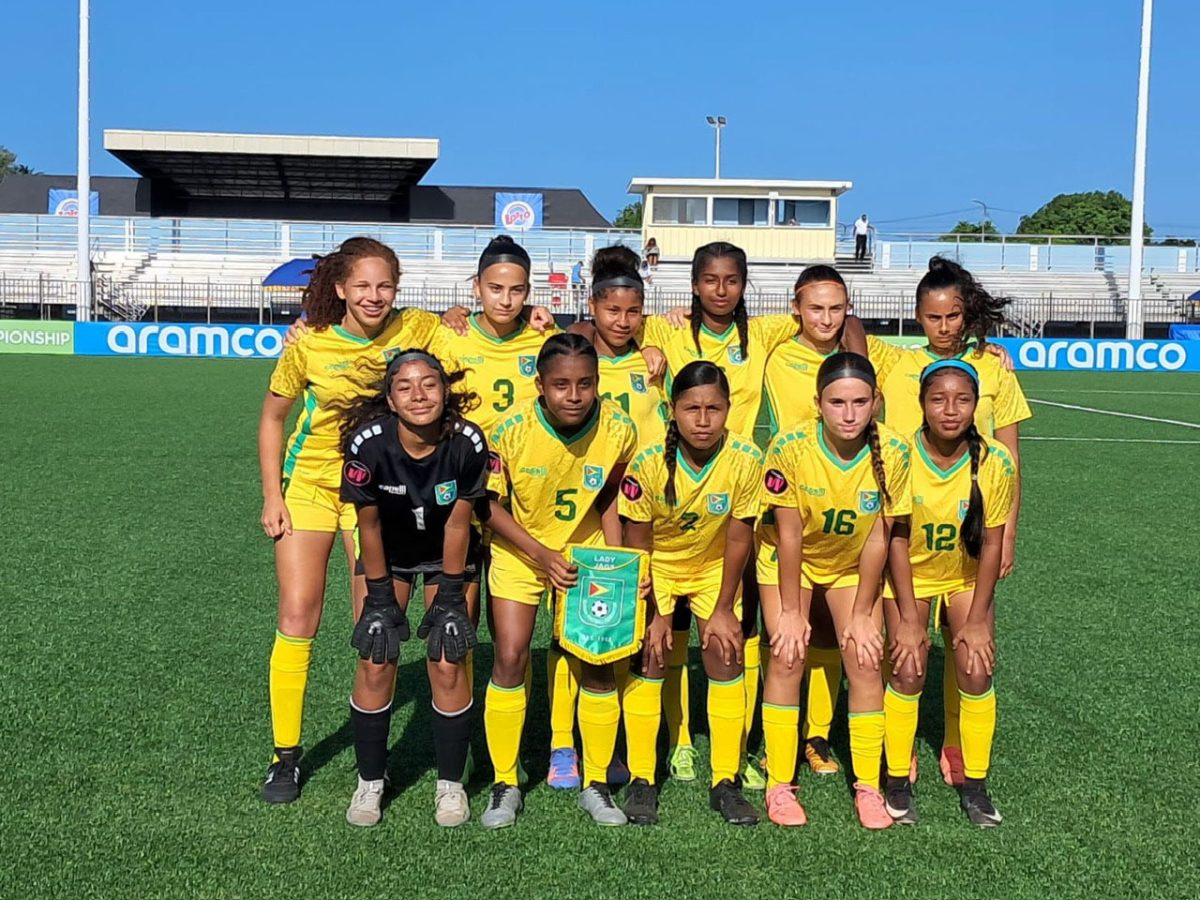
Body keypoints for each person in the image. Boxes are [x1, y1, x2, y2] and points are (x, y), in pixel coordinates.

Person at [640, 242, 869, 789]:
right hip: (677, 489)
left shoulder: (765, 334)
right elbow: (610, 328)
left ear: (745, 285)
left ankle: (751, 743)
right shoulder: (666, 328)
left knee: (742, 628)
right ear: (693, 285)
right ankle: (677, 739)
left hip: (746, 493)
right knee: (667, 628)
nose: (722, 290)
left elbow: (832, 317)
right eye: (711, 280)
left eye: (733, 280)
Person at [257, 237, 442, 803]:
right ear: (340, 288)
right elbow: (273, 419)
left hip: (377, 494)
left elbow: (476, 336)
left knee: (375, 625)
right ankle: (285, 756)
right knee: (297, 613)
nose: (374, 296)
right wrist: (273, 495)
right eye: (362, 285)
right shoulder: (308, 342)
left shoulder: (420, 329)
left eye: (384, 285)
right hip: (311, 487)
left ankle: (371, 755)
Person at [871, 256, 1030, 786]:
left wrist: (1006, 534)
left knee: (970, 643)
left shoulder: (992, 368)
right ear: (918, 317)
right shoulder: (896, 365)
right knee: (907, 652)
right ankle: (900, 756)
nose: (945, 327)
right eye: (934, 317)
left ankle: (957, 746)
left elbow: (1009, 455)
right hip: (910, 529)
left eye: (954, 316)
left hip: (971, 529)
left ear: (966, 316)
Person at [481, 334, 639, 828]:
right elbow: (487, 506)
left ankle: (596, 783)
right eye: (561, 384)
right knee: (510, 657)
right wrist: (541, 553)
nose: (574, 394)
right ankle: (504, 782)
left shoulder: (618, 427)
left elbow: (613, 495)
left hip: (586, 554)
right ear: (540, 385)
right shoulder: (507, 431)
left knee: (595, 665)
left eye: (585, 383)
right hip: (521, 552)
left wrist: (618, 562)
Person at [336, 350, 490, 828]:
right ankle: (370, 783)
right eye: (405, 386)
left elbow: (459, 526)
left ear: (445, 391)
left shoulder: (468, 442)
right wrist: (380, 598)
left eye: (429, 384)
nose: (419, 395)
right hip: (391, 552)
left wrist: (448, 597)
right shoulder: (367, 445)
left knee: (447, 657)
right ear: (390, 398)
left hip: (449, 550)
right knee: (376, 654)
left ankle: (450, 785)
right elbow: (370, 526)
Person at [760, 352, 912, 829]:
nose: (849, 414)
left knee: (865, 656)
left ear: (877, 402)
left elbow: (878, 537)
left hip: (851, 565)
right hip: (791, 563)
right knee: (787, 653)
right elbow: (788, 536)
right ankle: (779, 786)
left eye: (860, 402)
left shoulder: (895, 451)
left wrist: (865, 611)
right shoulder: (788, 447)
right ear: (818, 404)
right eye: (837, 402)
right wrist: (789, 610)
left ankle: (868, 786)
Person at [619, 361, 764, 826]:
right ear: (673, 410)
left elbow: (740, 537)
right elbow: (637, 544)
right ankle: (642, 778)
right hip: (657, 568)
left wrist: (723, 608)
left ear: (729, 409)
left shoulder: (744, 458)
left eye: (714, 409)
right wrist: (656, 614)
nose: (703, 421)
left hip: (712, 568)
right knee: (652, 655)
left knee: (726, 652)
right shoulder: (647, 463)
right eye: (692, 409)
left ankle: (725, 780)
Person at [758, 264, 889, 779]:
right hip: (783, 500)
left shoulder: (861, 358)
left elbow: (924, 358)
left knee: (836, 642)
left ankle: (816, 735)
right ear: (796, 308)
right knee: (782, 638)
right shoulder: (771, 346)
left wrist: (982, 349)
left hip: (845, 511)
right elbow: (713, 329)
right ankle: (771, 743)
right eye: (816, 307)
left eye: (837, 308)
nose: (827, 318)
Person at [881, 358, 1015, 827]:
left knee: (976, 668)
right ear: (921, 404)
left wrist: (977, 619)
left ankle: (975, 785)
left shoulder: (995, 460)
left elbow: (993, 541)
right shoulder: (898, 456)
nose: (951, 410)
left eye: (962, 400)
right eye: (938, 399)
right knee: (909, 666)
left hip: (962, 577)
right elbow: (895, 538)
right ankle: (897, 776)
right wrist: (911, 618)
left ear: (976, 405)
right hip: (908, 576)